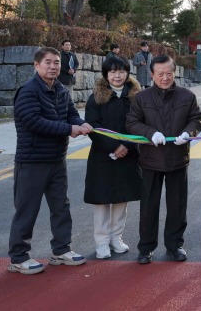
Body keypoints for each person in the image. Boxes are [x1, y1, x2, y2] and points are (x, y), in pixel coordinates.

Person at [7, 47, 92, 275]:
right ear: (36, 65)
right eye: (48, 62)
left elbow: (71, 113)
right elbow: (35, 121)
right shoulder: (28, 91)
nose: (53, 66)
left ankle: (61, 251)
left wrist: (81, 124)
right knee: (27, 210)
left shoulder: (62, 89)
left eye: (56, 62)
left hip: (57, 160)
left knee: (61, 208)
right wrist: (70, 128)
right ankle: (18, 257)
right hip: (32, 161)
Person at [126, 55, 201, 264]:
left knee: (177, 206)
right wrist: (151, 133)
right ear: (152, 75)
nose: (165, 77)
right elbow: (132, 123)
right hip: (150, 160)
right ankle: (146, 248)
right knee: (149, 206)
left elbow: (196, 118)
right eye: (160, 74)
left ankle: (175, 245)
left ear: (174, 72)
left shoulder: (187, 96)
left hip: (178, 158)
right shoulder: (142, 98)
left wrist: (189, 132)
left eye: (169, 73)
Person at [84, 56, 143, 259]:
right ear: (106, 74)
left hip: (128, 155)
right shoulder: (96, 97)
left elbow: (140, 123)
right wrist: (114, 146)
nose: (117, 75)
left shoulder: (136, 96)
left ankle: (116, 238)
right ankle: (101, 242)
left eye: (121, 71)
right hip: (102, 155)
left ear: (127, 73)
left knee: (121, 199)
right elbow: (92, 126)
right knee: (102, 200)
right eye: (112, 72)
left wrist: (125, 146)